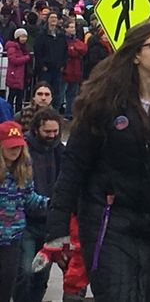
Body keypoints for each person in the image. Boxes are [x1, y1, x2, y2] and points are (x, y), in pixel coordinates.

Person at [39, 22, 150, 302]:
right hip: (108, 222)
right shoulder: (104, 102)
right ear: (135, 55)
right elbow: (73, 166)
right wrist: (56, 230)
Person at [14, 108, 63, 302]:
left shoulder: (61, 151)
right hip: (26, 221)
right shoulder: (24, 151)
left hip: (50, 223)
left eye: (55, 131)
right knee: (25, 272)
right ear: (36, 130)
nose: (52, 136)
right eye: (47, 132)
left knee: (41, 275)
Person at [0, 121, 46, 302]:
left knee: (6, 286)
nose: (15, 150)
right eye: (10, 146)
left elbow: (30, 199)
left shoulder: (24, 169)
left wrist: (53, 204)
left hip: (12, 238)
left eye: (18, 146)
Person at [34, 12, 67, 112]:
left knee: (57, 93)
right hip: (46, 69)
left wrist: (63, 64)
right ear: (48, 19)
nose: (54, 19)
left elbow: (65, 50)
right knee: (43, 91)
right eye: (52, 17)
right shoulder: (42, 34)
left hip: (58, 69)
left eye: (55, 17)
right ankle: (42, 111)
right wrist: (42, 65)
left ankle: (55, 112)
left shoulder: (61, 35)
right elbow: (38, 51)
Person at [62, 20, 88, 120]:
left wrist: (75, 49)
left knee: (72, 94)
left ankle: (69, 113)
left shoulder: (76, 40)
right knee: (61, 93)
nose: (73, 29)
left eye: (74, 27)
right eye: (71, 27)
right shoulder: (63, 40)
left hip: (75, 70)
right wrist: (75, 50)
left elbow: (84, 48)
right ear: (66, 29)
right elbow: (70, 51)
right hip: (66, 69)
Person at [5, 29, 31, 113]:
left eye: (25, 37)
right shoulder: (12, 47)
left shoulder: (25, 47)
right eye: (22, 36)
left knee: (20, 98)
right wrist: (26, 58)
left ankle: (18, 114)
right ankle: (9, 113)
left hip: (22, 76)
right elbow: (13, 60)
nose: (24, 39)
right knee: (11, 97)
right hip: (15, 76)